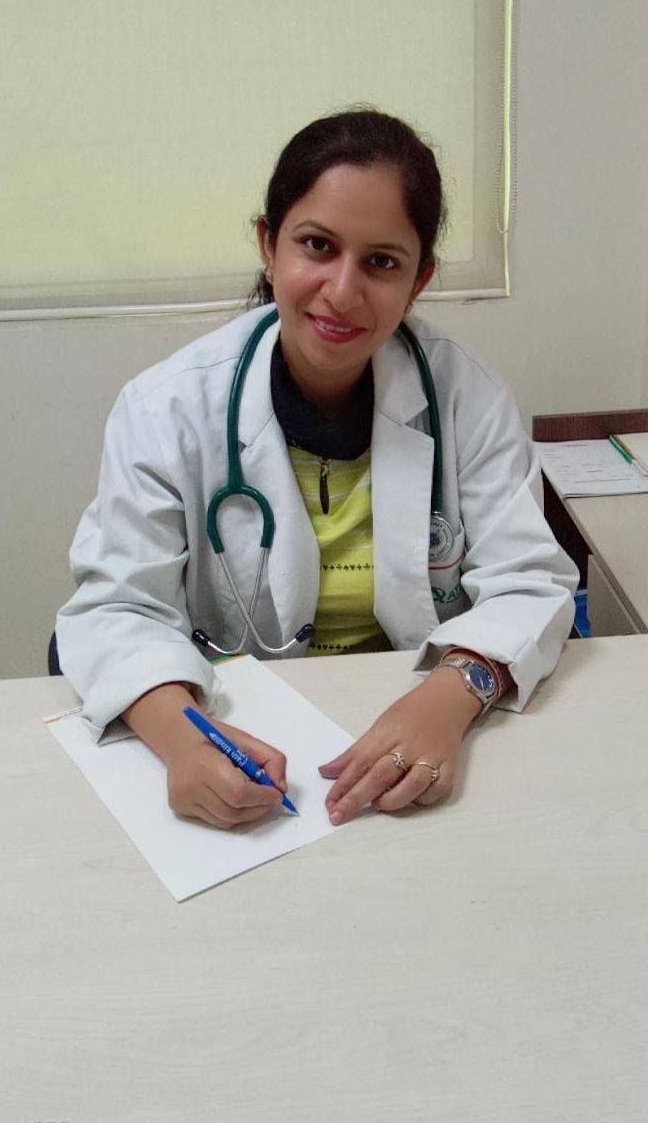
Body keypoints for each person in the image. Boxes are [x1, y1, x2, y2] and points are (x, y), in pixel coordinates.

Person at [56, 108, 578, 831]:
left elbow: (531, 580)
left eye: (381, 262)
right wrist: (181, 741)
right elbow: (117, 609)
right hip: (249, 743)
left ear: (419, 279)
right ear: (268, 246)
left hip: (415, 738)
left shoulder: (468, 398)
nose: (342, 290)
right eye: (317, 246)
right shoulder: (166, 408)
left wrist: (449, 697)